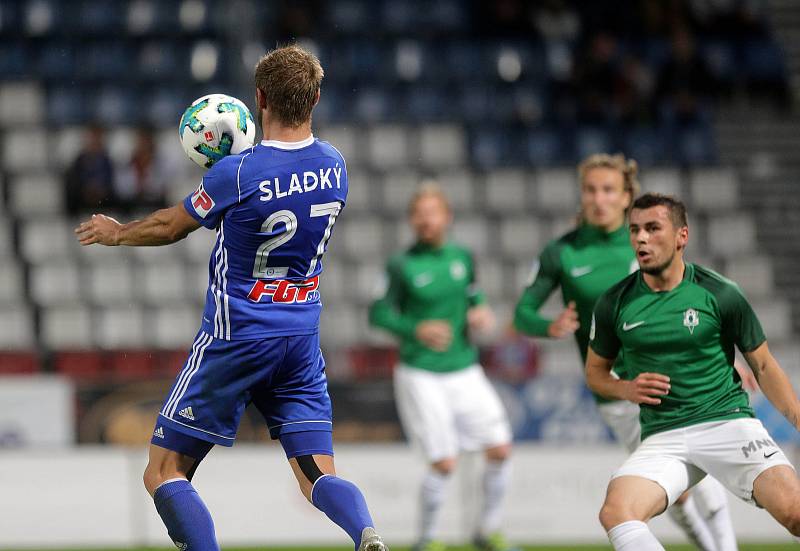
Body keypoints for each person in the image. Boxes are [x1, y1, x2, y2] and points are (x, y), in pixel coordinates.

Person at [74, 45, 386, 551]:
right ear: (316, 98)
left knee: (163, 471)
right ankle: (366, 533)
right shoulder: (335, 166)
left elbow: (171, 227)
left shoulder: (236, 174)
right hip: (300, 338)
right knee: (315, 476)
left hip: (237, 336)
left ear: (259, 97)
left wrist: (118, 233)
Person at [513, 154, 739, 550]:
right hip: (617, 391)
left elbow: (692, 302)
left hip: (673, 377)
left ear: (625, 196)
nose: (598, 198)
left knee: (700, 467)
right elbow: (522, 312)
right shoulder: (562, 252)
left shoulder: (648, 238)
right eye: (590, 190)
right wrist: (548, 326)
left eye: (608, 190)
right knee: (673, 489)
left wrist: (729, 357)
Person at [586, 193, 800, 550]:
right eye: (635, 229)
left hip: (727, 422)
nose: (641, 238)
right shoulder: (614, 302)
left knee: (795, 514)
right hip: (663, 435)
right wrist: (626, 389)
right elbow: (595, 373)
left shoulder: (720, 293)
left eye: (653, 228)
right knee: (617, 511)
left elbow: (762, 365)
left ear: (681, 236)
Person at [368, 184, 513, 551]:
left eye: (432, 212)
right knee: (444, 462)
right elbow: (378, 312)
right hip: (421, 372)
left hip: (464, 368)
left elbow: (474, 297)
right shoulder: (401, 265)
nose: (425, 219)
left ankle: (488, 530)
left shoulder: (462, 257)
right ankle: (426, 540)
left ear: (446, 216)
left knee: (499, 448)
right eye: (419, 213)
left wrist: (481, 313)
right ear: (411, 220)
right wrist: (416, 328)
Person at [64, 124, 117, 215]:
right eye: (92, 138)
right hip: (82, 201)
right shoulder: (79, 161)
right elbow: (75, 183)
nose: (94, 142)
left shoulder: (107, 161)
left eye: (97, 138)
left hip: (103, 200)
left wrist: (100, 191)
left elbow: (111, 182)